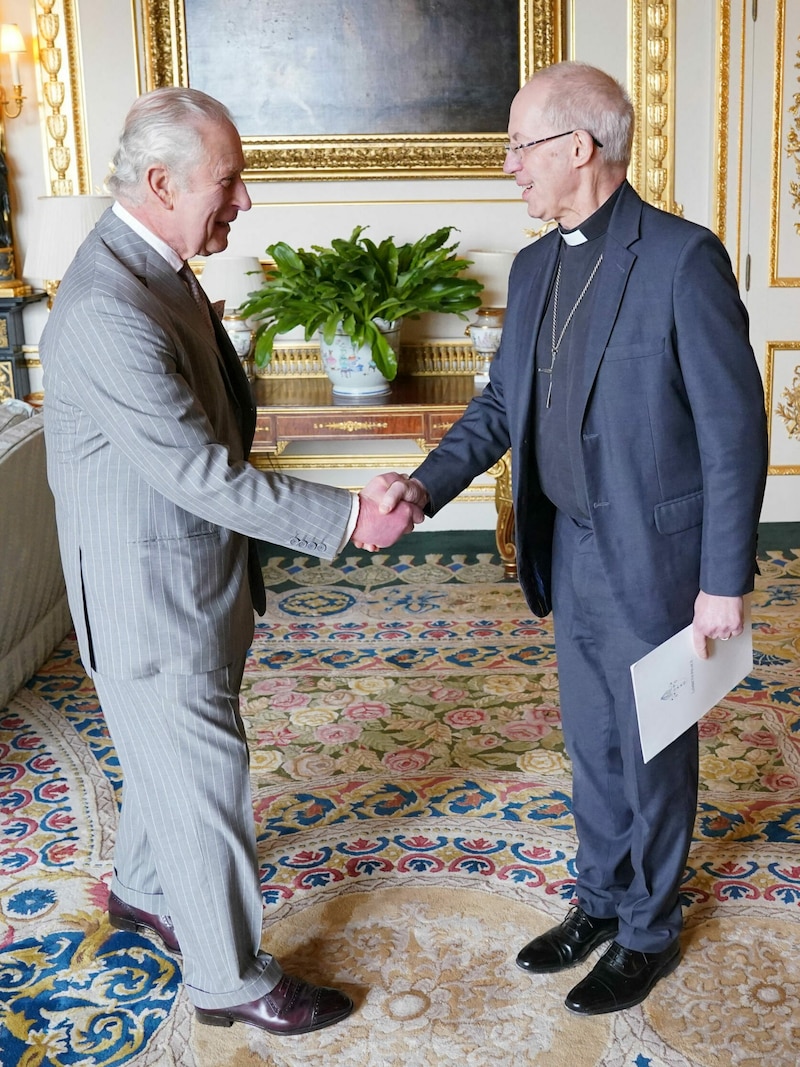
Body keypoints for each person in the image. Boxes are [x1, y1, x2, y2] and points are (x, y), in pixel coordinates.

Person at [369, 61, 768, 1015]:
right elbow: (504, 401)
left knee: (652, 744)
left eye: (519, 146)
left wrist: (724, 578)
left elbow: (733, 428)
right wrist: (423, 487)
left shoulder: (681, 258)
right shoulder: (537, 262)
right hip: (572, 548)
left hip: (660, 560)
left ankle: (648, 930)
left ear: (578, 148)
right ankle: (599, 899)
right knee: (592, 739)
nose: (509, 167)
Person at [41, 87, 421, 1037]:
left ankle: (139, 888)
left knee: (170, 757)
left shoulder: (155, 266)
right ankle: (228, 977)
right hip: (150, 599)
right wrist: (346, 519)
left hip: (183, 581)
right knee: (207, 782)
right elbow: (198, 472)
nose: (244, 201)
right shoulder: (107, 306)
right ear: (162, 182)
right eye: (229, 180)